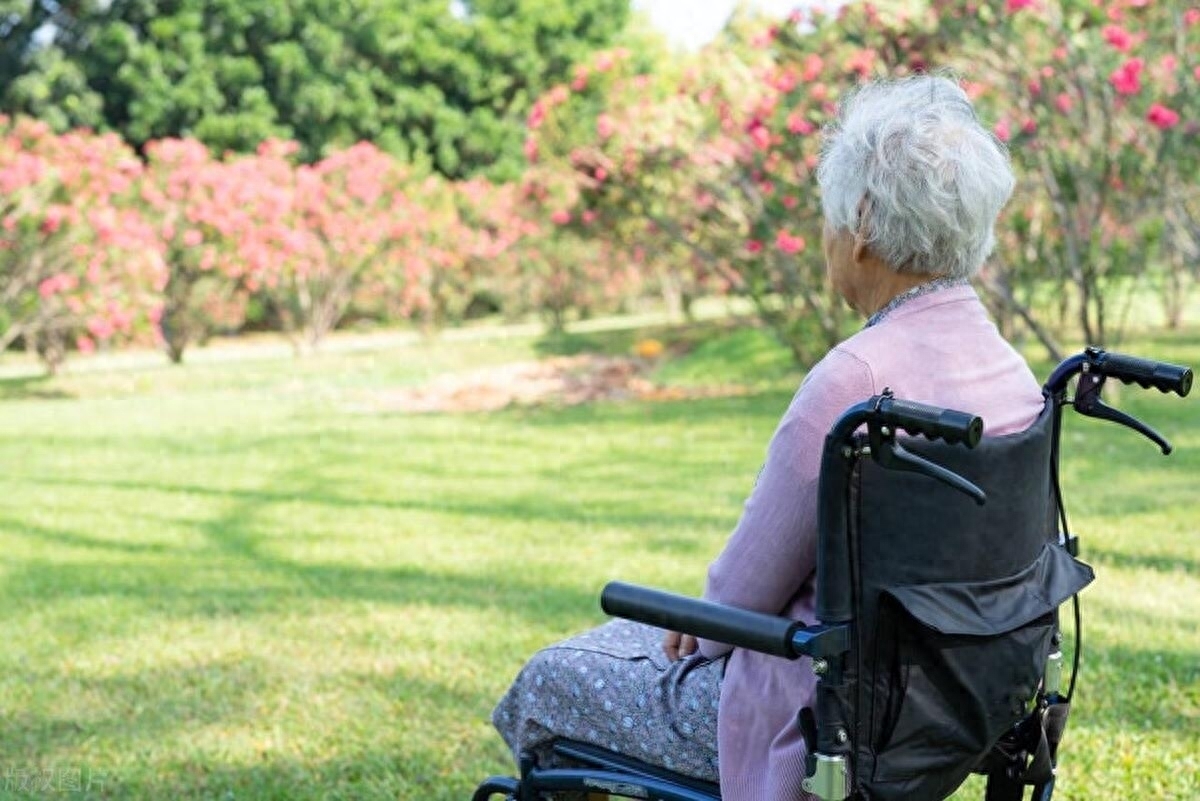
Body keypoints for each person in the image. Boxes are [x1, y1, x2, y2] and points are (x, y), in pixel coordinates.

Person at [491, 75, 1046, 801]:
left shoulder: (854, 383)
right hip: (956, 701)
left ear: (865, 223)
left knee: (552, 678)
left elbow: (738, 601)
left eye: (829, 216)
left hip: (826, 716)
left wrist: (706, 628)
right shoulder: (1011, 369)